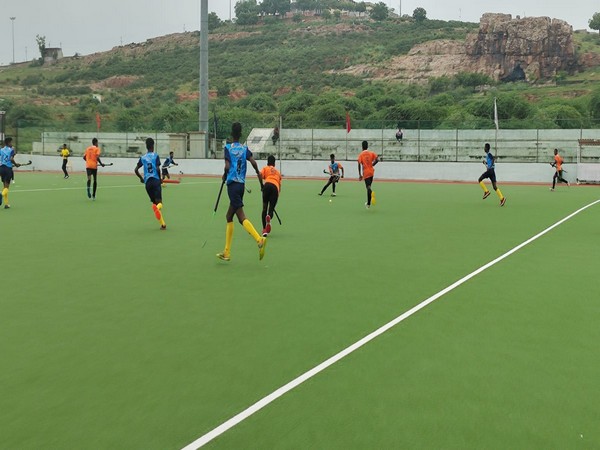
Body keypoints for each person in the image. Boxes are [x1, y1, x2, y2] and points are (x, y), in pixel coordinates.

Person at [217, 122, 267, 262]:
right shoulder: (245, 149)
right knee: (229, 216)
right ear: (240, 134)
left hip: (232, 185)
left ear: (231, 134)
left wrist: (224, 174)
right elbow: (253, 162)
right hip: (241, 186)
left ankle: (259, 240)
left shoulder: (228, 148)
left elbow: (227, 166)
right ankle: (226, 252)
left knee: (241, 217)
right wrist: (258, 175)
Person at [135, 138, 166, 230]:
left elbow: (136, 170)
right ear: (153, 146)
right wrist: (160, 178)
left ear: (146, 146)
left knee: (154, 205)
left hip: (148, 183)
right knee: (159, 204)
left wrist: (141, 178)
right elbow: (157, 168)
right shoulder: (156, 156)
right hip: (155, 181)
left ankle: (163, 224)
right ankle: (158, 208)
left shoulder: (143, 158)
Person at [260, 155, 282, 237]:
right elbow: (279, 188)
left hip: (267, 185)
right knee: (270, 209)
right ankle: (269, 216)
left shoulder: (265, 168)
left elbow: (259, 175)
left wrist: (261, 185)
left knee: (264, 209)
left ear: (267, 162)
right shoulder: (278, 172)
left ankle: (264, 230)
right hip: (275, 188)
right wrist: (275, 199)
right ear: (274, 163)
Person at [0, 137, 22, 209]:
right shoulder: (11, 150)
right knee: (7, 187)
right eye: (11, 142)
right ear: (9, 143)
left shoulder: (1, 150)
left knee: (4, 186)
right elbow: (11, 159)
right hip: (8, 169)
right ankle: (1, 194)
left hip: (1, 168)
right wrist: (16, 164)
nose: (12, 144)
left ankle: (6, 204)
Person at [357, 140, 379, 209]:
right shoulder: (371, 153)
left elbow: (359, 164)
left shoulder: (361, 154)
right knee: (368, 187)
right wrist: (372, 165)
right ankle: (368, 204)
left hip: (366, 173)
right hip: (371, 172)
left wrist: (360, 174)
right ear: (367, 146)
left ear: (362, 147)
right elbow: (377, 159)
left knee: (368, 187)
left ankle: (372, 193)